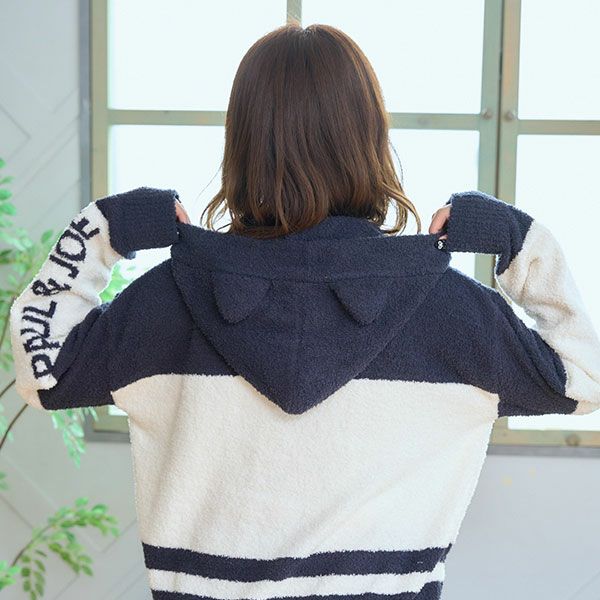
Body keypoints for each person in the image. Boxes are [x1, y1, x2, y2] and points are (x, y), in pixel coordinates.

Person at [9, 22, 600, 600]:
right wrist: (519, 240)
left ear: (241, 145)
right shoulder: (454, 312)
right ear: (372, 141)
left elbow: (45, 372)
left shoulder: (165, 302)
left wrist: (105, 229)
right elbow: (585, 374)